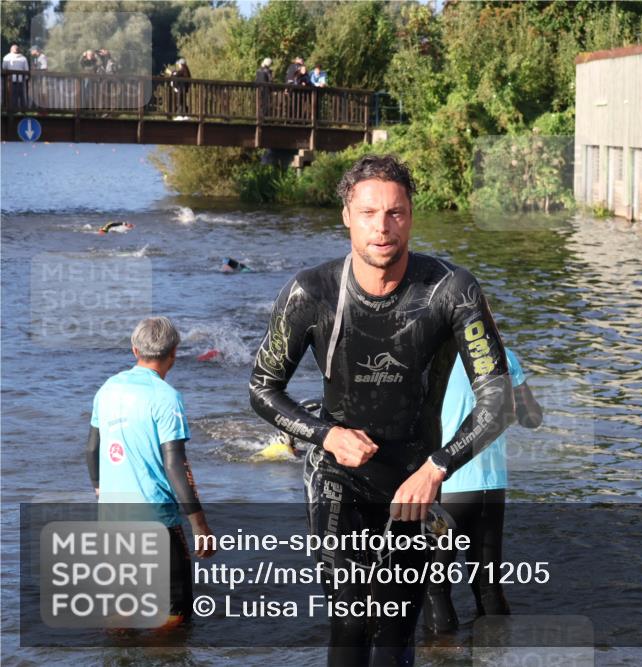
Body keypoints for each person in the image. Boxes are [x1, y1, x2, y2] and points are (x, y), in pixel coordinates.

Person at [249, 154, 514, 666]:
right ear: (346, 215)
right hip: (338, 479)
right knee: (350, 623)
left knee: (395, 631)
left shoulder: (450, 290)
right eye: (369, 213)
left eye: (395, 212)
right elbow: (263, 388)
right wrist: (325, 435)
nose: (382, 227)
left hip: (413, 481)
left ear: (411, 215)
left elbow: (498, 398)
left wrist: (438, 468)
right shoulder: (311, 292)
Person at [87, 316, 216, 627]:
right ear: (173, 353)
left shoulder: (108, 388)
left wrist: (100, 488)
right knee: (177, 610)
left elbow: (92, 449)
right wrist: (200, 526)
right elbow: (176, 465)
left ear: (135, 350)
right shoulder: (166, 398)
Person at [423, 347, 542, 633]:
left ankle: (442, 657)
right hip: (492, 490)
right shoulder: (503, 354)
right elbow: (532, 418)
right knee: (488, 586)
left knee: (433, 588)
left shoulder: (427, 353)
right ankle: (497, 654)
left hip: (445, 488)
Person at [2, 44, 29, 110]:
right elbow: (26, 70)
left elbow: (3, 68)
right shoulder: (23, 58)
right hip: (19, 80)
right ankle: (22, 110)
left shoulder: (6, 57)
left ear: (10, 50)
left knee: (13, 96)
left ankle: (13, 110)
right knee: (20, 96)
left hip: (11, 80)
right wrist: (26, 79)